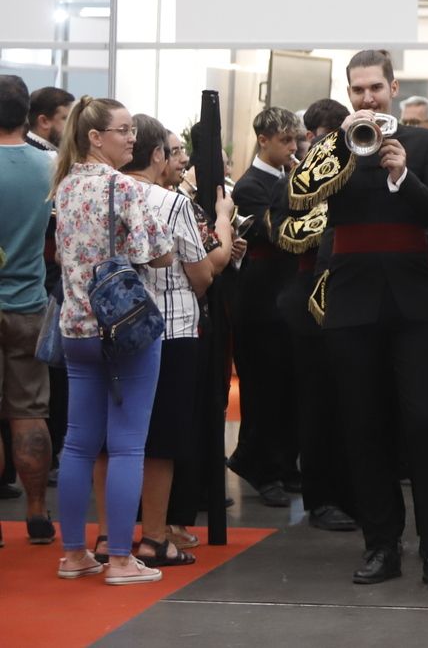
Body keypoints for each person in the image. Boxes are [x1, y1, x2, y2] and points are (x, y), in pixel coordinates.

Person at [288, 50, 428, 591]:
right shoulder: (330, 147)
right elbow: (299, 208)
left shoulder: (424, 143)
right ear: (348, 92)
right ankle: (381, 545)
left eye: (375, 89)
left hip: (416, 304)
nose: (367, 98)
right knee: (363, 427)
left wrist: (402, 174)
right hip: (352, 303)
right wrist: (338, 150)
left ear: (392, 87)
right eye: (358, 89)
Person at [52, 96, 175, 585]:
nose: (132, 138)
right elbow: (160, 253)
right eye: (123, 130)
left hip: (75, 326)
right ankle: (121, 558)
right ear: (95, 138)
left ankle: (74, 553)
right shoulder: (123, 187)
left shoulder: (64, 186)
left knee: (79, 444)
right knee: (127, 446)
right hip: (124, 328)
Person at [122, 113, 237, 566]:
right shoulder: (170, 204)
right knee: (164, 438)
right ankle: (155, 534)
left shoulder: (99, 193)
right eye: (172, 151)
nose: (179, 160)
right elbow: (203, 275)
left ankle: (106, 537)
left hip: (113, 329)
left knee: (115, 439)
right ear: (155, 154)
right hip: (170, 329)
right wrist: (223, 224)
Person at [261, 99, 357, 534]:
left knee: (353, 405)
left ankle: (352, 491)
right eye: (319, 135)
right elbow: (283, 233)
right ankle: (323, 498)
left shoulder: (365, 171)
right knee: (319, 406)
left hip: (357, 301)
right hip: (311, 306)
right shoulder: (296, 181)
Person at [228, 106, 304, 510]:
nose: (294, 148)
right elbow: (274, 230)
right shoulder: (249, 186)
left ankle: (283, 463)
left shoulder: (283, 178)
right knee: (262, 390)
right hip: (259, 300)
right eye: (286, 141)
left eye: (296, 140)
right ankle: (261, 466)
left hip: (287, 296)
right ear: (264, 140)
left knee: (287, 386)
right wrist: (295, 180)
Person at [0, 75, 56, 546]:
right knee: (29, 413)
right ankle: (37, 514)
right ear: (26, 115)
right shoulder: (50, 167)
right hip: (29, 305)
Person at [26, 86, 73, 465]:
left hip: (42, 279)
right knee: (39, 386)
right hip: (37, 281)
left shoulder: (51, 160)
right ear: (43, 121)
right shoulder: (44, 163)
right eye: (64, 118)